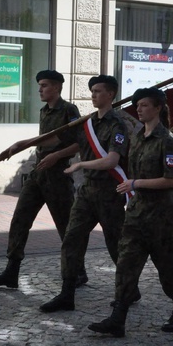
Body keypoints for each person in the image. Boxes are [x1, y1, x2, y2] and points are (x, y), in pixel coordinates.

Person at [88, 87, 173, 337]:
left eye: (144, 105)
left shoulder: (167, 141)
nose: (139, 109)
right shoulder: (137, 138)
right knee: (126, 265)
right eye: (138, 105)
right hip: (136, 216)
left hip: (161, 219)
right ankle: (118, 319)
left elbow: (172, 180)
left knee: (168, 269)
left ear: (157, 108)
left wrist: (136, 184)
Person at [0, 70, 81, 289]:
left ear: (56, 87)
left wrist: (54, 154)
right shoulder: (44, 111)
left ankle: (77, 271)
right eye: (39, 85)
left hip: (58, 176)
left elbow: (77, 143)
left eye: (44, 85)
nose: (40, 90)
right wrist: (23, 144)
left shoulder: (69, 110)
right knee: (20, 219)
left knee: (66, 226)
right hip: (39, 173)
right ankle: (12, 271)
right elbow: (43, 140)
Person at [39, 74, 130, 313]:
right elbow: (73, 143)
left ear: (110, 94)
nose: (93, 95)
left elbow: (112, 160)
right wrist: (34, 146)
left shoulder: (117, 124)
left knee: (115, 245)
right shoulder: (88, 123)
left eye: (99, 91)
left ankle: (128, 289)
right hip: (87, 193)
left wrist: (81, 165)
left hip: (109, 193)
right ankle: (67, 293)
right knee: (71, 239)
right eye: (92, 91)